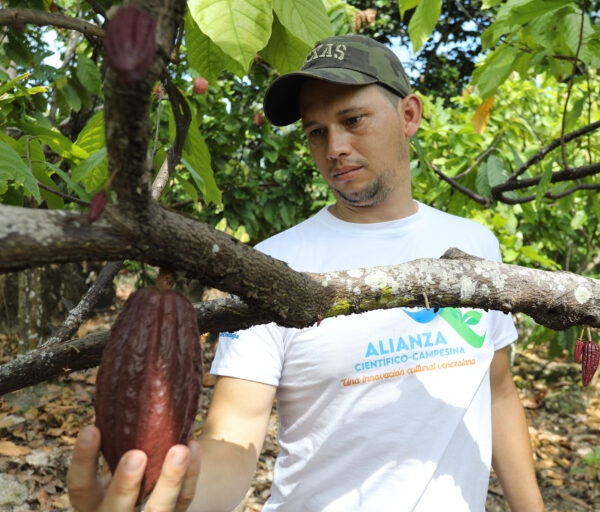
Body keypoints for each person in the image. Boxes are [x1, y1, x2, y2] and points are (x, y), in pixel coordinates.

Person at [67, 34, 544, 512]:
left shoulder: (475, 246)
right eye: (316, 132)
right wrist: (172, 498)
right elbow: (234, 436)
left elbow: (498, 392)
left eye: (353, 120)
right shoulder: (271, 268)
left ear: (409, 115)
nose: (334, 147)